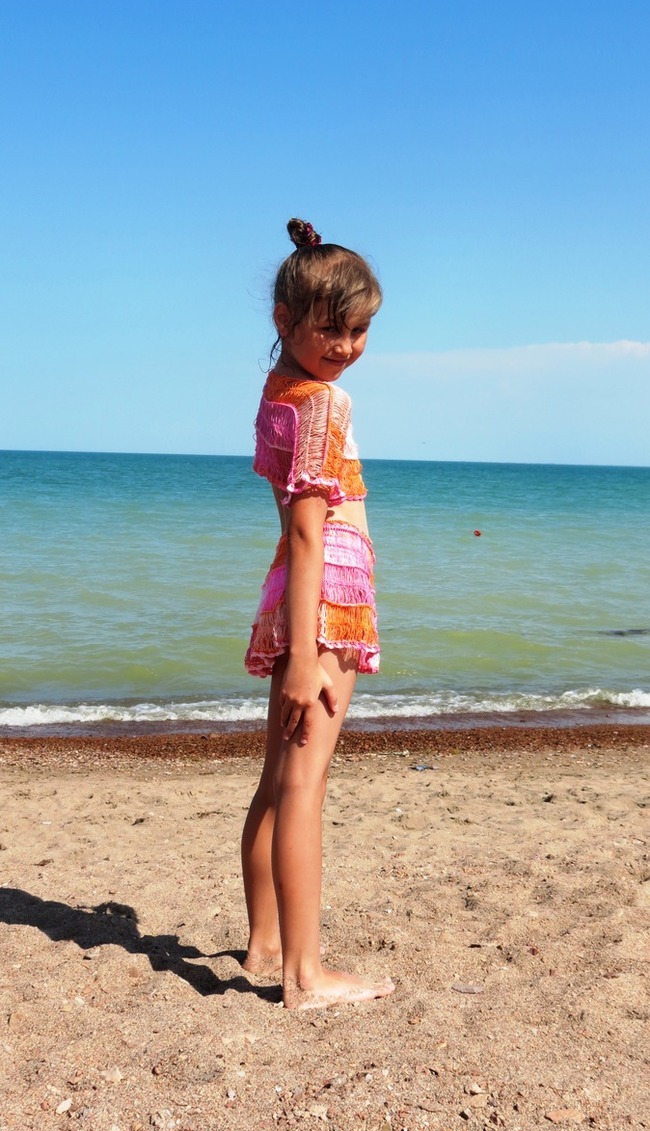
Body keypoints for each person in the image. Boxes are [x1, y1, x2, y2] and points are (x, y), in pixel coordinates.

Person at [241, 218, 395, 1010]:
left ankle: (266, 942)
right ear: (285, 319)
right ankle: (305, 974)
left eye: (359, 331)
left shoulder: (278, 392)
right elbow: (308, 530)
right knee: (305, 780)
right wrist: (304, 655)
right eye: (331, 329)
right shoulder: (324, 403)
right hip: (323, 592)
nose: (345, 346)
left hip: (296, 586)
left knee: (278, 778)